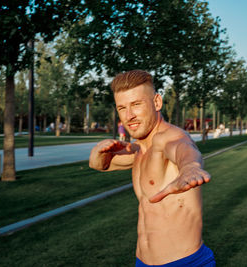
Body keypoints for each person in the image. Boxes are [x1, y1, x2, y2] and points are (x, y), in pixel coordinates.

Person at [89, 70, 215, 266]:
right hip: (143, 261)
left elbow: (183, 149)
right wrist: (97, 152)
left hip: (184, 262)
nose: (129, 116)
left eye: (136, 104)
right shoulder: (139, 150)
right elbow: (100, 165)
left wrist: (190, 167)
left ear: (157, 102)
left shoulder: (168, 138)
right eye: (122, 108)